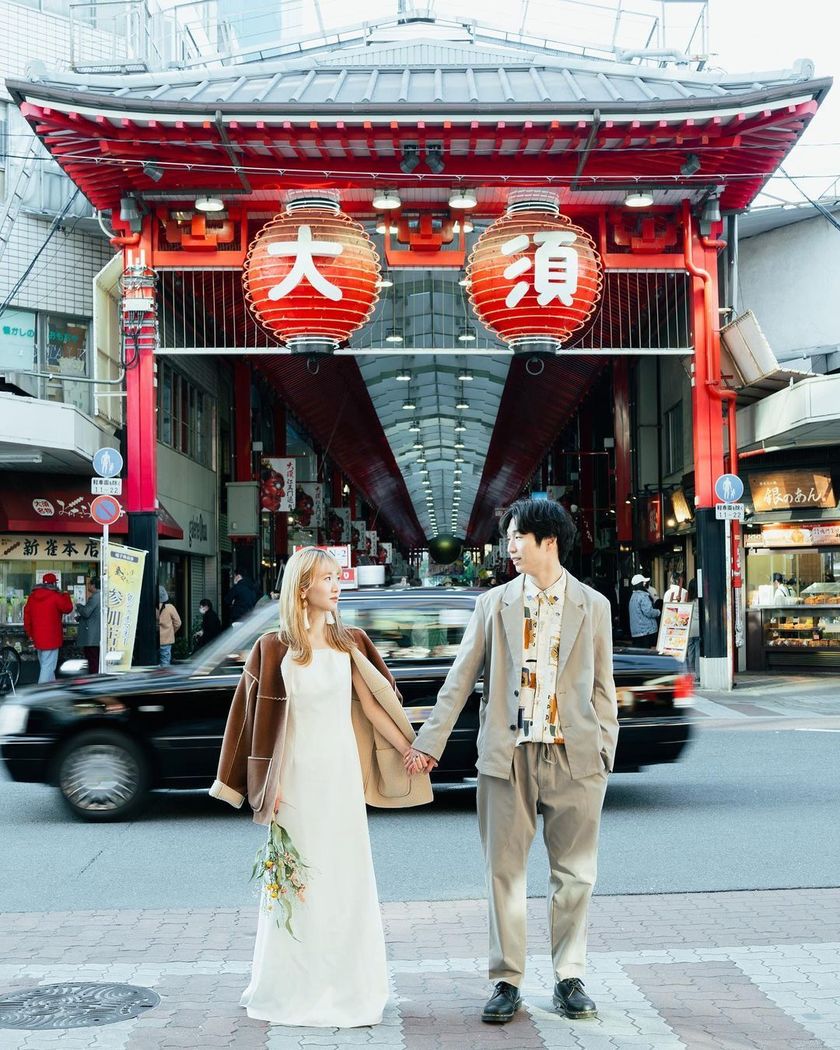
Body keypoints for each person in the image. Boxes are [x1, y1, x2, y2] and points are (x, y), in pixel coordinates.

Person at [405, 498, 619, 1025]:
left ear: (549, 541)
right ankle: (508, 979)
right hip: (508, 757)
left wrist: (605, 751)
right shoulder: (493, 605)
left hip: (575, 757)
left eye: (518, 536)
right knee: (504, 872)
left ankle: (570, 977)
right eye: (509, 537)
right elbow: (460, 680)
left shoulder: (593, 606)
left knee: (575, 875)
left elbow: (603, 688)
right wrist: (429, 742)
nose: (510, 545)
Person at [209, 546, 432, 1028]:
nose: (336, 585)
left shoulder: (350, 642)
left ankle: (350, 985)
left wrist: (411, 749)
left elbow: (375, 707)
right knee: (300, 886)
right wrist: (262, 786)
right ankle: (294, 986)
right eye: (326, 578)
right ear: (302, 586)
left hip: (341, 778)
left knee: (347, 881)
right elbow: (245, 723)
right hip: (295, 783)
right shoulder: (272, 648)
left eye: (337, 577)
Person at [23, 572, 74, 683]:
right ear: (55, 583)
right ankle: (41, 694)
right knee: (48, 668)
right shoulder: (56, 596)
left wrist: (29, 633)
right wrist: (66, 595)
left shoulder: (32, 597)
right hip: (51, 638)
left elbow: (26, 616)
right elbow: (68, 608)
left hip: (37, 637)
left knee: (46, 666)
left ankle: (52, 690)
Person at [75, 577, 101, 674]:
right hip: (96, 635)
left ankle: (94, 678)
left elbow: (86, 612)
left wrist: (78, 606)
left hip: (92, 636)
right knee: (95, 658)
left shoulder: (95, 597)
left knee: (92, 659)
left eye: (89, 584)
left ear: (93, 585)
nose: (88, 586)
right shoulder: (100, 596)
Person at [629, 574, 660, 647]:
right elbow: (649, 612)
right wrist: (658, 612)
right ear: (641, 584)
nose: (645, 583)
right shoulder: (643, 596)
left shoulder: (633, 596)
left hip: (636, 632)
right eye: (643, 582)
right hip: (646, 631)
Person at [157, 587, 182, 666]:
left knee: (152, 665)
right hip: (166, 640)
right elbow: (178, 623)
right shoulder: (170, 607)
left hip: (151, 641)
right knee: (165, 663)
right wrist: (170, 632)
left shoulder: (149, 607)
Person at [686, 578, 700, 679]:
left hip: (689, 629)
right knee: (698, 652)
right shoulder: (701, 600)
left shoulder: (687, 600)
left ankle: (691, 674)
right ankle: (698, 674)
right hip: (698, 629)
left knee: (690, 652)